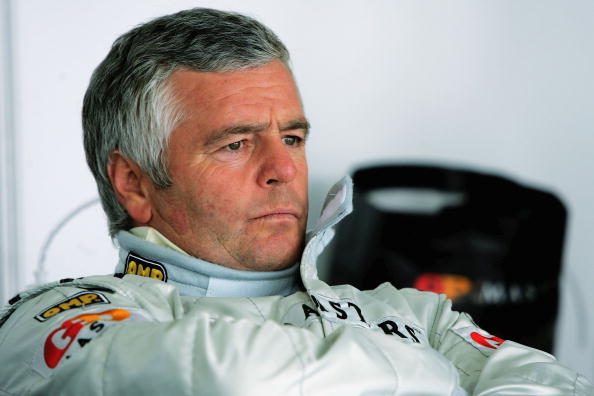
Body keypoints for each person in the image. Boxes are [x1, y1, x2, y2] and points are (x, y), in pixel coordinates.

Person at [0, 8, 591, 396]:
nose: (285, 170)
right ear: (134, 183)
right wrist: (438, 375)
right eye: (236, 143)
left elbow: (556, 386)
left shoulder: (416, 313)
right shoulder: (48, 320)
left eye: (292, 139)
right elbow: (233, 379)